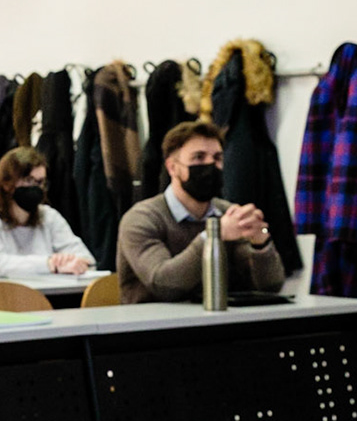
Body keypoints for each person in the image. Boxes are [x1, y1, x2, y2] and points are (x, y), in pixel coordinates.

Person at [116, 120, 285, 305]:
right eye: (199, 157)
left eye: (218, 158)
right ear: (172, 167)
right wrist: (213, 235)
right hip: (152, 327)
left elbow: (271, 287)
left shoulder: (227, 213)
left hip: (217, 324)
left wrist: (259, 242)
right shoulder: (141, 218)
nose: (210, 165)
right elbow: (164, 285)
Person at [0, 147, 94, 277]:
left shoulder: (49, 216)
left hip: (43, 295)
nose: (36, 188)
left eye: (41, 182)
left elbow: (86, 258)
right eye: (29, 181)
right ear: (7, 184)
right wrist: (50, 264)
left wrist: (73, 262)